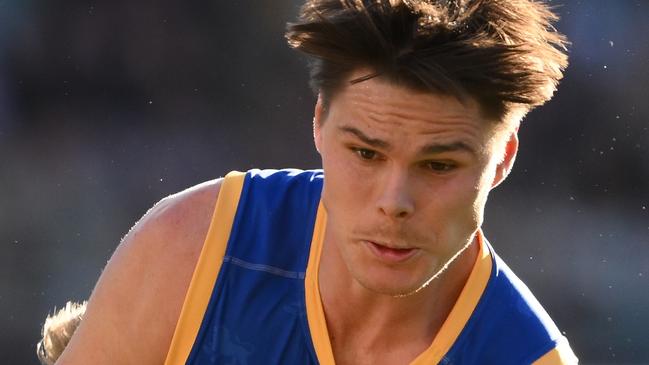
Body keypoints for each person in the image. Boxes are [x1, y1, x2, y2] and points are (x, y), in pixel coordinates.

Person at [52, 0, 578, 364]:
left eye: (438, 166)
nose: (394, 202)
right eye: (366, 153)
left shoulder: (525, 356)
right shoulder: (192, 249)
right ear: (319, 123)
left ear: (503, 158)